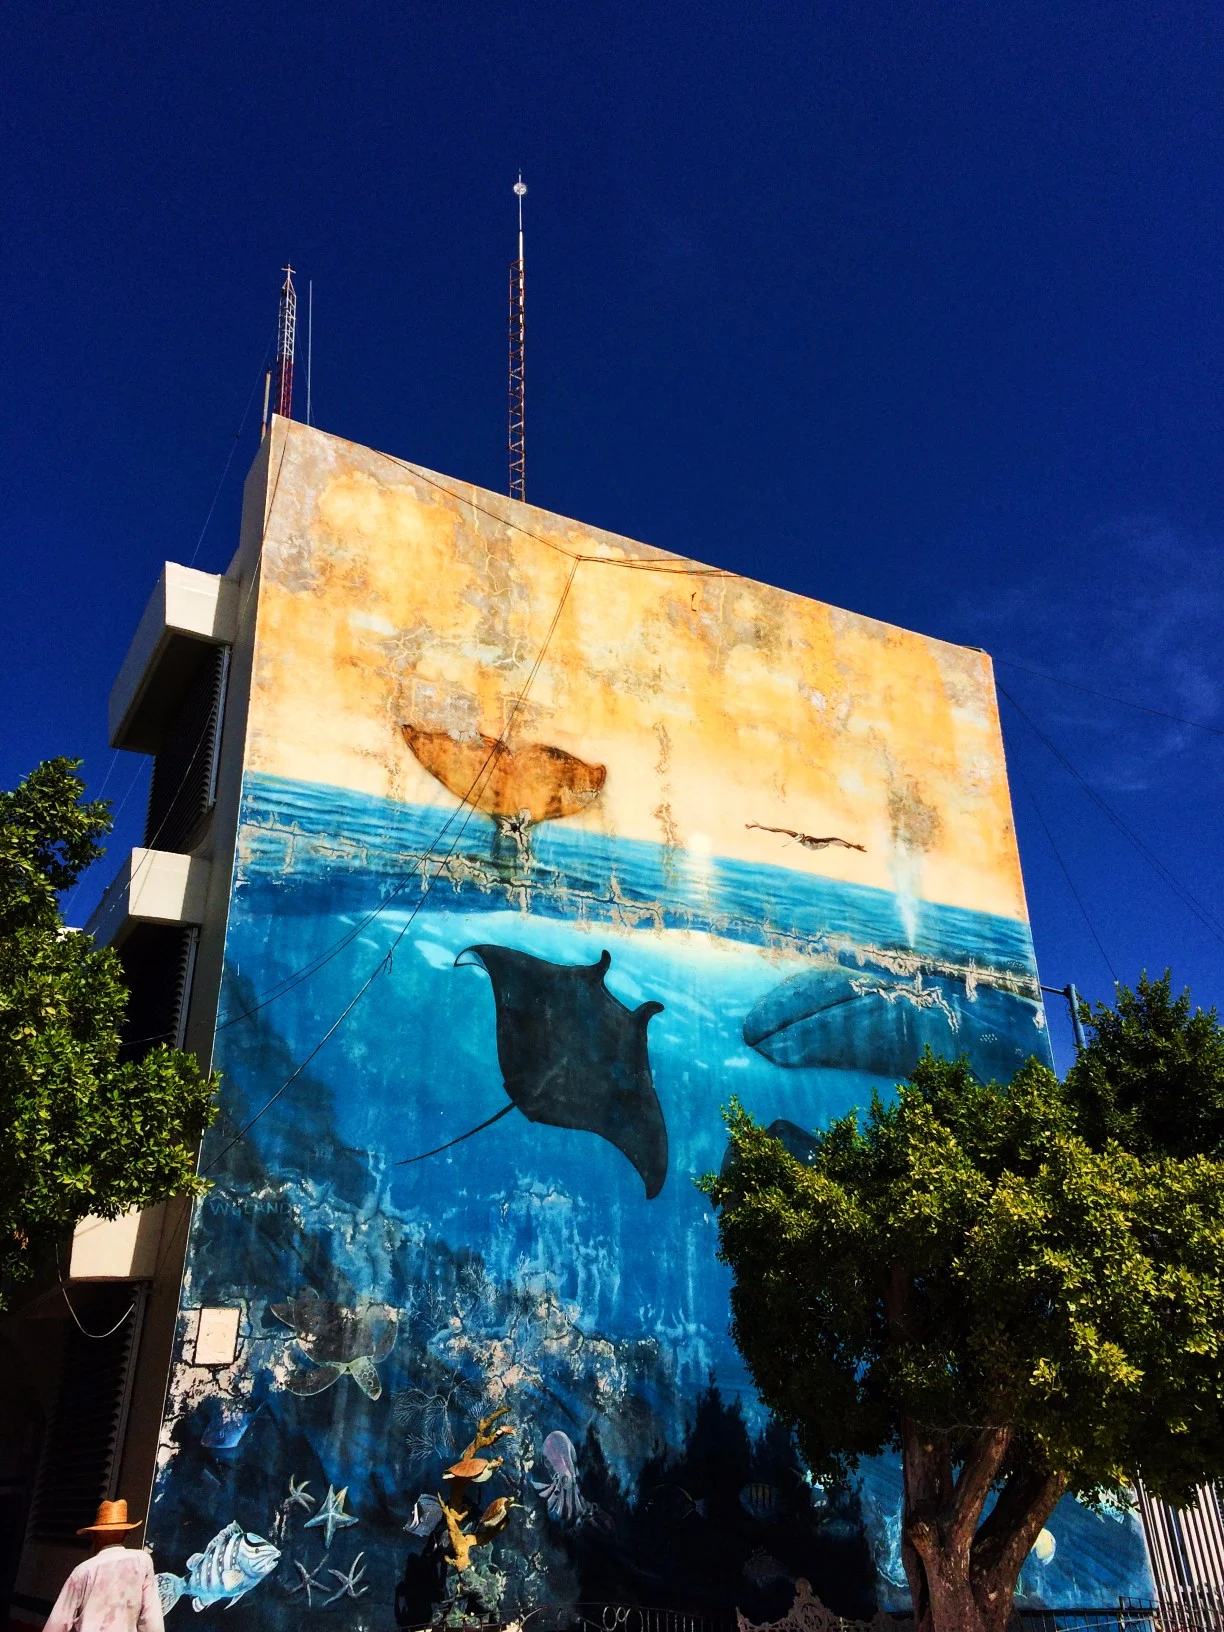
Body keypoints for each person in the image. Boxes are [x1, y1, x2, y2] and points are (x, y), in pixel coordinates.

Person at [43, 1501, 164, 1632]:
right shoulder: (142, 1561)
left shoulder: (83, 1571)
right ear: (125, 1533)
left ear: (96, 1535)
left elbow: (57, 1623)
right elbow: (151, 1619)